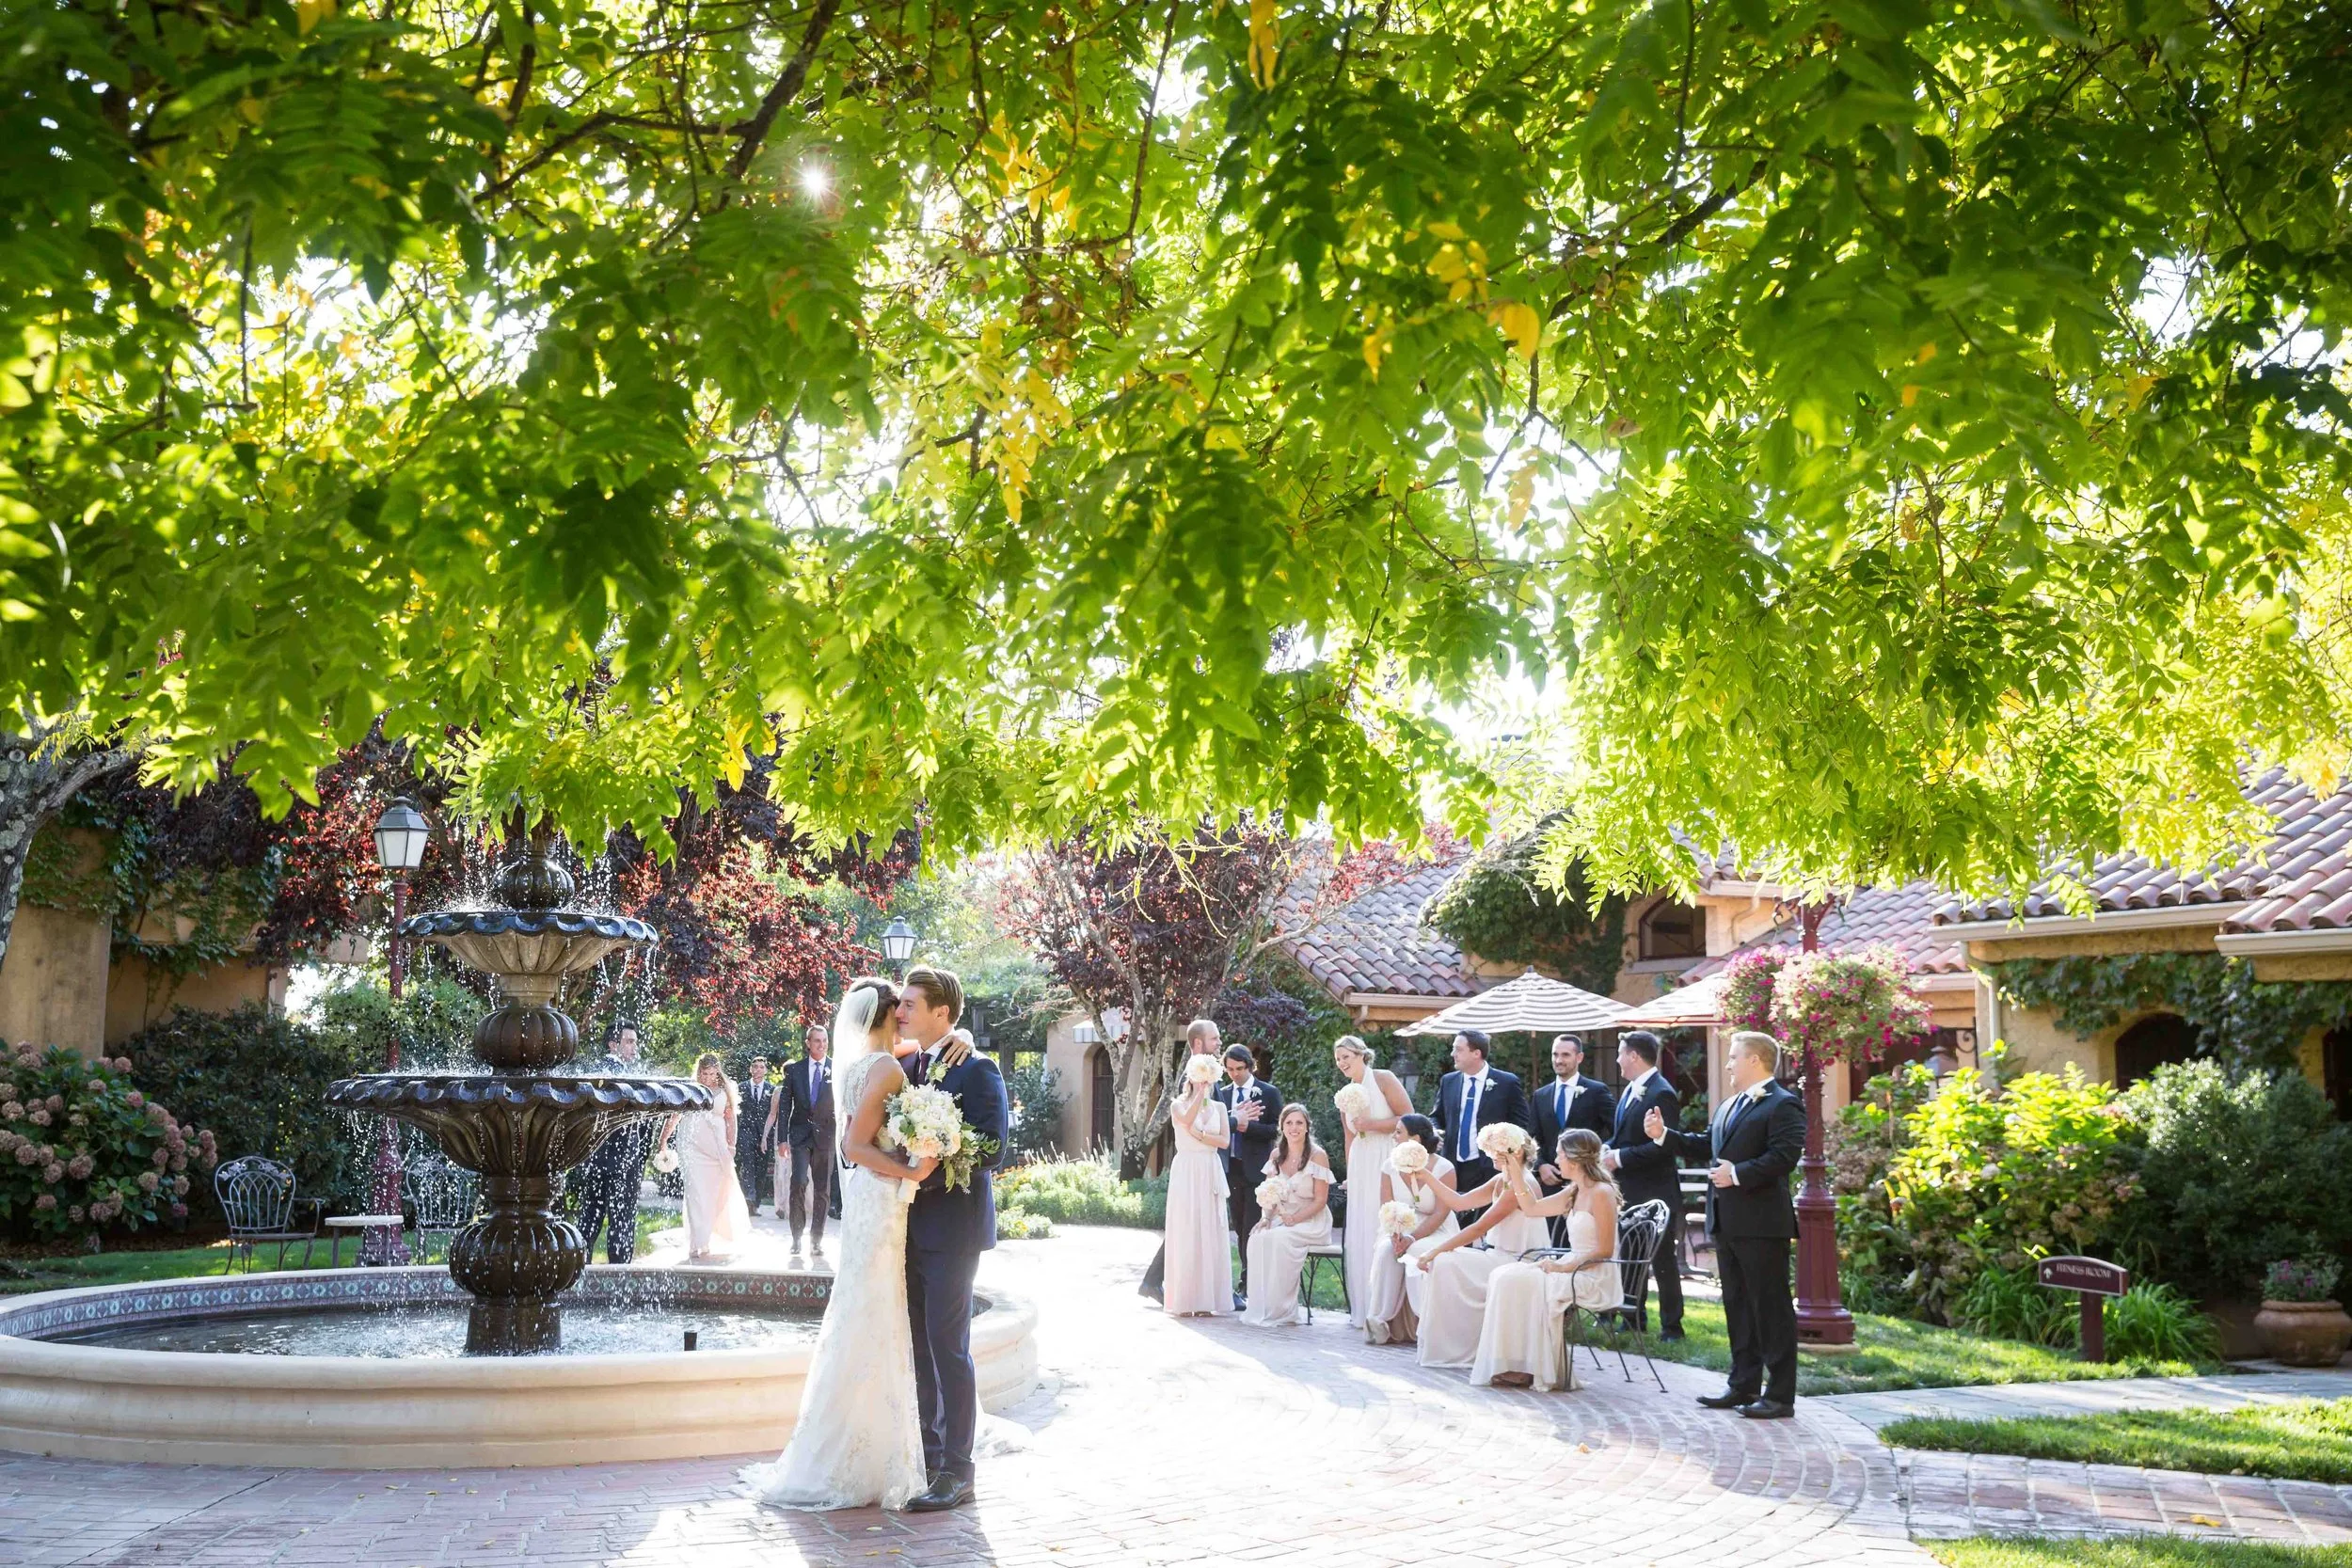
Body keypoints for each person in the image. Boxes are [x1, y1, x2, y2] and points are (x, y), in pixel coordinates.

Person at [741, 978, 934, 1511]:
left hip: (870, 1203)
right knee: (877, 1307)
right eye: (900, 1010)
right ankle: (872, 1447)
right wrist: (910, 1169)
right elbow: (853, 1145)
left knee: (865, 1305)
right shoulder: (889, 1070)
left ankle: (857, 1433)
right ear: (884, 1016)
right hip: (882, 1194)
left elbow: (911, 1053)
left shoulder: (854, 1068)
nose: (905, 1018)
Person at [1646, 1030, 1806, 1419]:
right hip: (1728, 1221)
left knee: (1770, 1307)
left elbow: (1785, 1156)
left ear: (1755, 1060)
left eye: (1734, 1057)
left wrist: (1738, 1174)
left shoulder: (1784, 1104)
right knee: (1737, 1305)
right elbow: (1706, 1144)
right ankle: (1743, 1384)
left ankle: (1780, 1395)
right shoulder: (1729, 1104)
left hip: (1762, 1223)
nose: (1729, 1063)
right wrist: (1663, 1136)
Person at [898, 964, 1009, 1513]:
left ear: (942, 1012)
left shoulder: (978, 1069)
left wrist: (940, 1148)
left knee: (949, 1347)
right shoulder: (911, 1064)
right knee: (920, 1346)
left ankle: (959, 1472)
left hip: (955, 1230)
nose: (900, 1013)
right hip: (910, 1231)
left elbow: (994, 1148)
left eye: (910, 1005)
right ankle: (929, 1454)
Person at [1471, 1128, 1622, 1390]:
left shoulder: (1601, 1192)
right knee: (1505, 1276)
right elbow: (1531, 1209)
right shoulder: (1574, 1191)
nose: (1556, 1161)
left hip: (1593, 1275)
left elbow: (1605, 1250)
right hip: (1572, 1267)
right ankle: (1515, 1362)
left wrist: (1562, 1267)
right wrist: (1514, 1166)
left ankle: (1534, 1369)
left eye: (1559, 1155)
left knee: (1528, 1283)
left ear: (1574, 1160)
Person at [1409, 1124, 1549, 1369]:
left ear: (1513, 1153)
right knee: (1444, 1262)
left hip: (1517, 1260)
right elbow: (1460, 1202)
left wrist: (1433, 1251)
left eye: (1496, 1149)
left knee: (1444, 1261)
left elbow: (1478, 1228)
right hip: (1495, 1255)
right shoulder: (1500, 1180)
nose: (1491, 1154)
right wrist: (1427, 1176)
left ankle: (1459, 1348)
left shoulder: (1520, 1184)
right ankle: (1451, 1346)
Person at [1603, 1029, 1685, 1339]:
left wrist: (1619, 1158)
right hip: (1629, 1191)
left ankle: (1672, 1327)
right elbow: (1623, 1135)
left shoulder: (1661, 1092)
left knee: (1663, 1261)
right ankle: (1633, 1317)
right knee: (1630, 1255)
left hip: (1656, 1191)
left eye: (1621, 1053)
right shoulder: (1630, 1090)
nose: (1617, 1059)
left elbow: (1665, 1146)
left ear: (1634, 1056)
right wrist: (1606, 1148)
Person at [1139, 1018, 1226, 1305]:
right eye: (1214, 1039)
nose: (1219, 1043)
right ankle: (1183, 1288)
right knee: (1186, 1226)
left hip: (1211, 1162)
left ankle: (1206, 1289)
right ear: (1199, 1043)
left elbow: (1218, 1117)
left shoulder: (1215, 1075)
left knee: (1205, 1227)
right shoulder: (1191, 1077)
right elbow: (1186, 1119)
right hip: (1191, 1164)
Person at [1333, 1034, 1411, 1329]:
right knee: (1361, 1225)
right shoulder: (1346, 1094)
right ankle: (1364, 1306)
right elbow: (1350, 1136)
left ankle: (1388, 1305)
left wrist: (1374, 1125)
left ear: (1361, 1055)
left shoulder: (1383, 1079)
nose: (1342, 1063)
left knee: (1382, 1220)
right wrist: (1350, 1175)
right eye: (1338, 1059)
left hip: (1386, 1154)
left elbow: (1409, 1118)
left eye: (1346, 1057)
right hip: (1361, 1161)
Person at [1365, 1113, 1458, 1345]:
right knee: (1387, 1250)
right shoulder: (1389, 1166)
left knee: (1417, 1253)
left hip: (1437, 1229)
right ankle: (1379, 1320)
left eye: (1398, 1132)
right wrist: (1396, 1235)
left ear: (1415, 1139)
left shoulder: (1444, 1168)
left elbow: (1440, 1213)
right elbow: (1386, 1207)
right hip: (1396, 1228)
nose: (1393, 1136)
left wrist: (1412, 1238)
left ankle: (1425, 1323)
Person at [1239, 1104, 1334, 1327]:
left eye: (1299, 1123)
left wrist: (1296, 1219)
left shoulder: (1318, 1156)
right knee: (1258, 1238)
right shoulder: (1275, 1155)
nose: (1294, 1127)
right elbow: (1268, 1194)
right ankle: (1261, 1306)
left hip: (1311, 1219)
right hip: (1282, 1218)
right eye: (1289, 1123)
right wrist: (1265, 1218)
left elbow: (1321, 1201)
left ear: (1307, 1127)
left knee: (1278, 1238)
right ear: (1282, 1126)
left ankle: (1282, 1310)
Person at [661, 1053, 753, 1262]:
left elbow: (731, 1120)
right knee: (695, 1193)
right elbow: (675, 1116)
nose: (708, 1078)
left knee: (715, 1192)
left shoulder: (725, 1091)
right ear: (698, 1071)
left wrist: (732, 1145)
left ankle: (711, 1235)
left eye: (712, 1073)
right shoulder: (688, 1091)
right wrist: (663, 1141)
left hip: (715, 1148)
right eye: (704, 1073)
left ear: (717, 1073)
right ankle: (697, 1242)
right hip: (690, 1146)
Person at [578, 1023, 656, 1264]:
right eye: (629, 1041)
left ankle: (580, 1269)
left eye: (635, 1041)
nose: (635, 1047)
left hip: (597, 1157)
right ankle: (620, 1275)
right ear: (614, 1045)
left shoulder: (602, 1071)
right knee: (621, 1217)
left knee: (591, 1215)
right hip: (620, 1157)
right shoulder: (615, 1074)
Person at [1161, 1053, 1232, 1316]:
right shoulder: (1177, 1104)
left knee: (1210, 1229)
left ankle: (1207, 1300)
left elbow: (1224, 1141)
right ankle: (1185, 1299)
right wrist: (1199, 1096)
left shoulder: (1220, 1108)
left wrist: (1202, 1136)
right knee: (1187, 1228)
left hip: (1209, 1167)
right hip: (1187, 1170)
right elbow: (1186, 1120)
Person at [1430, 1030, 1533, 1210]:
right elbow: (1436, 1117)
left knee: (1485, 1222)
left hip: (1489, 1167)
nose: (1452, 1054)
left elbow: (1521, 1125)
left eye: (1458, 1049)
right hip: (1453, 1164)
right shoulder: (1449, 1081)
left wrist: (1505, 1151)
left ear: (1476, 1053)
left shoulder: (1507, 1083)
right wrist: (1435, 1131)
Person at [1214, 1043, 1282, 1301]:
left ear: (1250, 1066)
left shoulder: (1268, 1092)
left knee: (1252, 1228)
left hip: (1255, 1168)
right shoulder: (1222, 1092)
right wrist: (1233, 1121)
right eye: (1229, 1069)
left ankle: (1249, 1282)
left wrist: (1246, 1127)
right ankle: (1244, 1281)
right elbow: (1219, 1124)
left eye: (1239, 1069)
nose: (1234, 1074)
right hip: (1230, 1168)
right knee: (1238, 1226)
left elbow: (1277, 1130)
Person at [1533, 1034, 1613, 1245]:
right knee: (1553, 1242)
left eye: (1565, 1055)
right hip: (1550, 1182)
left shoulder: (1597, 1091)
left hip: (1586, 1184)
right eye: (1555, 1054)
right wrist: (1541, 1166)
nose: (1559, 1060)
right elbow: (1533, 1138)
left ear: (1579, 1057)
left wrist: (1599, 1160)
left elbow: (1616, 1132)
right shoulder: (1541, 1095)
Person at [771, 1023, 835, 1262]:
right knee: (797, 1182)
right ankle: (797, 1237)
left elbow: (843, 1104)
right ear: (808, 1043)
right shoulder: (795, 1071)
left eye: (825, 1040)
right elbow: (785, 1106)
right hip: (799, 1136)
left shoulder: (836, 1069)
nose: (822, 1044)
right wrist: (782, 1139)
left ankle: (816, 1240)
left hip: (826, 1137)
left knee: (822, 1190)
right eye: (817, 1041)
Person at [739, 1056, 777, 1212]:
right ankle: (749, 1198)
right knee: (747, 1164)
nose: (758, 1069)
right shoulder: (741, 1088)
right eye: (755, 1066)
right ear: (750, 1069)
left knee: (761, 1168)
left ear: (766, 1070)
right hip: (745, 1131)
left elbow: (773, 1113)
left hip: (765, 1135)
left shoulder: (772, 1090)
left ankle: (756, 1204)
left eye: (761, 1067)